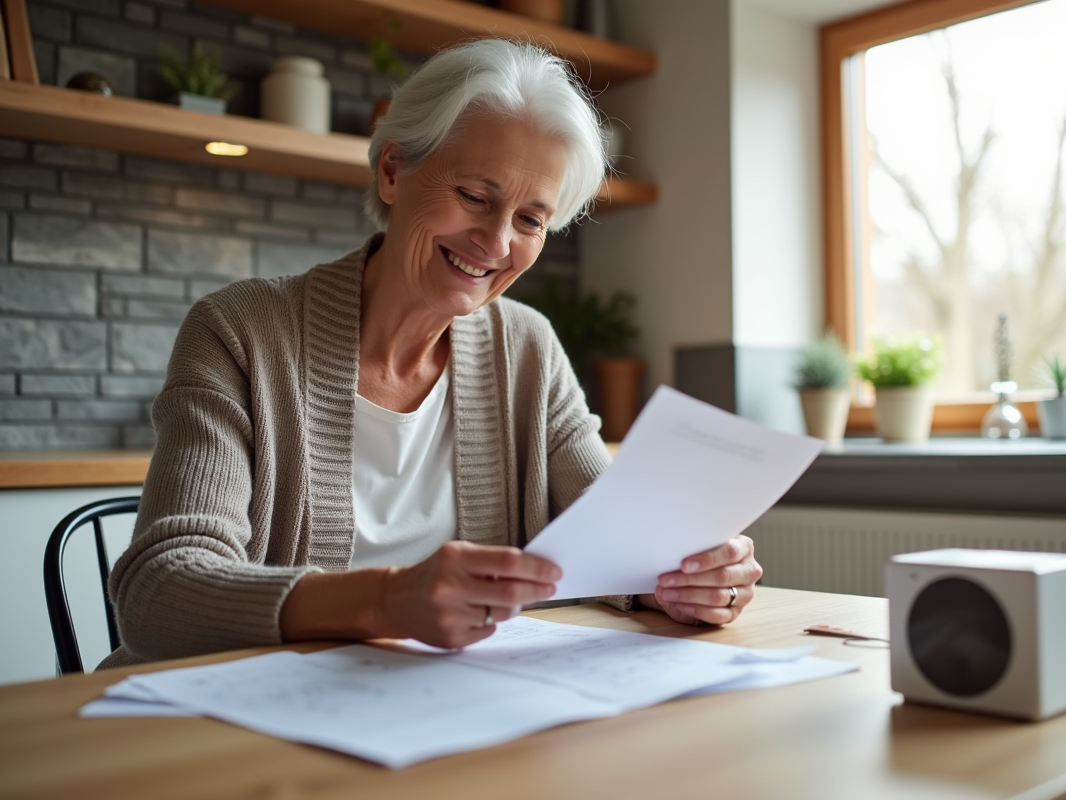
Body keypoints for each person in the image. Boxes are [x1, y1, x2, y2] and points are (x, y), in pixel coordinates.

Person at [103, 39, 762, 667]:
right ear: (393, 169)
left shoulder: (527, 346)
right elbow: (160, 594)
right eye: (476, 197)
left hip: (439, 721)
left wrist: (683, 577)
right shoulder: (240, 331)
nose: (497, 242)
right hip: (233, 731)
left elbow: (621, 540)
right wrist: (387, 601)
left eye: (531, 219)